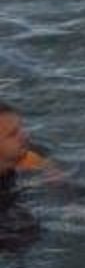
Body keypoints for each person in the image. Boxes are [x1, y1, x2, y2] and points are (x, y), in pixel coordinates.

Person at [0, 102, 50, 254]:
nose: (25, 136)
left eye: (21, 128)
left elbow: (56, 178)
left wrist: (73, 205)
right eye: (12, 134)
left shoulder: (27, 158)